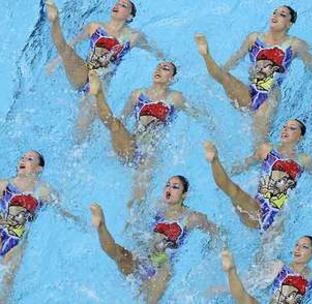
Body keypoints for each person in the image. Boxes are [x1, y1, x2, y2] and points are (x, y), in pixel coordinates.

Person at [194, 5, 312, 145]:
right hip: (250, 90)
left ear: (290, 23)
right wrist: (222, 70)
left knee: (259, 140)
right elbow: (235, 60)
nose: (275, 16)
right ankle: (205, 54)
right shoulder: (254, 38)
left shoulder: (295, 44)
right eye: (274, 12)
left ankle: (259, 155)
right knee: (223, 77)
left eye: (282, 14)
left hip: (270, 95)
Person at [45, 0, 164, 141]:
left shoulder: (133, 36)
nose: (117, 6)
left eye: (123, 5)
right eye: (117, 3)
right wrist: (55, 62)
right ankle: (55, 20)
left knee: (81, 132)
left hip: (99, 85)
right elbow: (73, 43)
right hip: (84, 73)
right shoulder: (95, 26)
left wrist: (164, 59)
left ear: (130, 17)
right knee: (69, 53)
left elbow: (151, 48)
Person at [88, 62, 204, 206]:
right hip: (131, 146)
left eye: (165, 69)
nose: (159, 70)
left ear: (172, 79)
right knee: (115, 125)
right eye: (157, 67)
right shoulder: (137, 95)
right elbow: (123, 119)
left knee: (137, 200)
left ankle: (132, 220)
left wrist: (212, 126)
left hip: (149, 153)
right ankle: (98, 94)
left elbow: (198, 114)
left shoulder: (175, 98)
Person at [90, 175, 220, 304]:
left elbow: (216, 231)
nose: (169, 188)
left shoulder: (191, 217)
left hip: (161, 270)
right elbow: (137, 222)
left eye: (175, 187)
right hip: (142, 259)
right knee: (119, 253)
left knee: (165, 268)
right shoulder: (157, 206)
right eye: (167, 185)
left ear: (184, 194)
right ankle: (100, 226)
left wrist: (211, 248)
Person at [204, 119, 312, 235]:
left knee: (266, 251)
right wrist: (229, 171)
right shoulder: (266, 149)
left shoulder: (304, 159)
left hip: (277, 219)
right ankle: (214, 160)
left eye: (292, 128)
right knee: (235, 192)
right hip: (256, 208)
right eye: (284, 127)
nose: (285, 130)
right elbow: (244, 165)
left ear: (301, 137)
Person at [0, 151, 78, 301]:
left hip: (17, 242)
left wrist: (78, 220)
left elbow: (64, 209)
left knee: (7, 280)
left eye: (29, 159)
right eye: (22, 158)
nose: (23, 160)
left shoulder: (42, 190)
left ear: (38, 168)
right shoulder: (4, 185)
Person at [221, 235, 312, 304]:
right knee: (245, 299)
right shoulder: (279, 266)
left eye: (304, 247)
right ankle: (231, 270)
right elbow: (250, 285)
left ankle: (231, 270)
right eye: (296, 245)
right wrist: (220, 289)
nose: (298, 249)